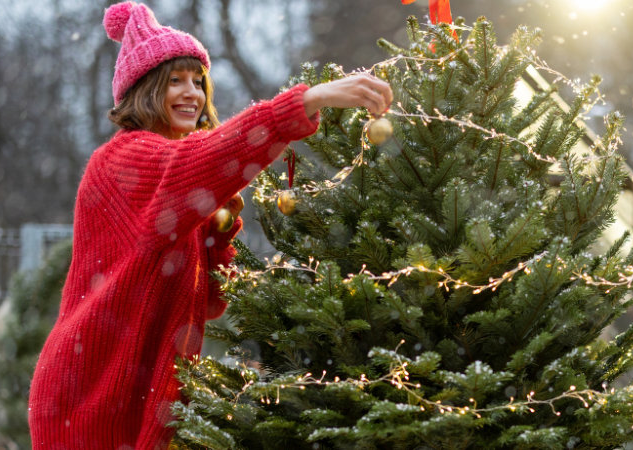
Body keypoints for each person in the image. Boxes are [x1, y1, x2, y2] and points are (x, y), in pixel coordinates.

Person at [26, 2, 392, 449]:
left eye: (198, 81)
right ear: (143, 90)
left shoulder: (175, 182)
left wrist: (218, 233)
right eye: (175, 80)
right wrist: (305, 101)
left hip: (141, 395)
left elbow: (212, 302)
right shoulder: (122, 160)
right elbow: (192, 163)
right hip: (90, 394)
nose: (192, 94)